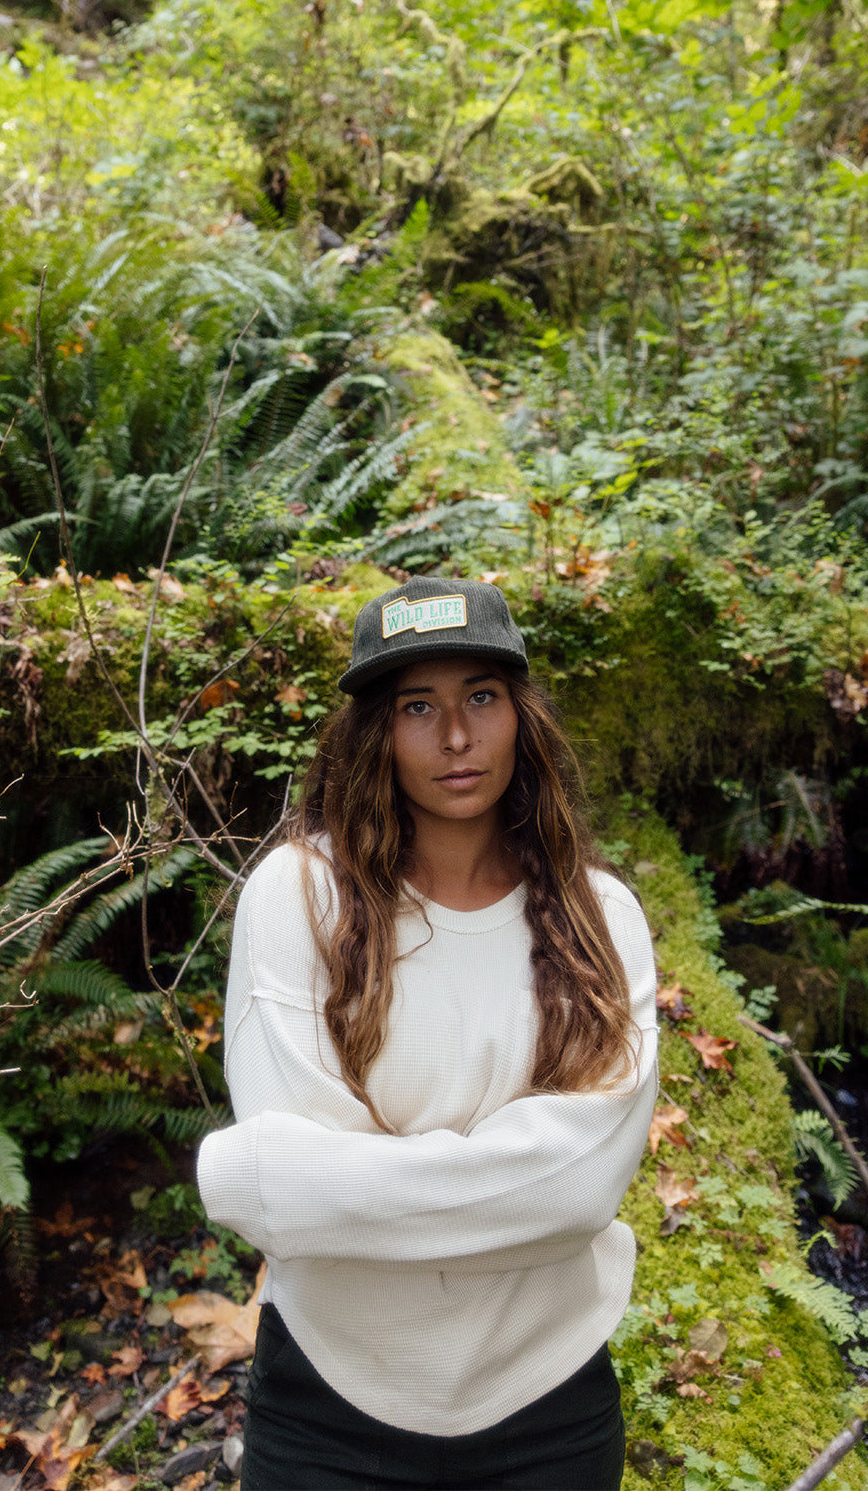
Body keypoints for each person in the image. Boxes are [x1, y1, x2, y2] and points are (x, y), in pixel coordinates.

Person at [197, 575, 659, 1491]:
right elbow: (303, 1212)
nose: (455, 736)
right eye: (418, 706)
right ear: (376, 732)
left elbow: (576, 1191)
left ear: (521, 716)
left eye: (481, 698)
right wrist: (504, 1186)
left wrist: (288, 1180)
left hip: (549, 1404)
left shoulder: (600, 917)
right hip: (327, 1403)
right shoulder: (299, 898)